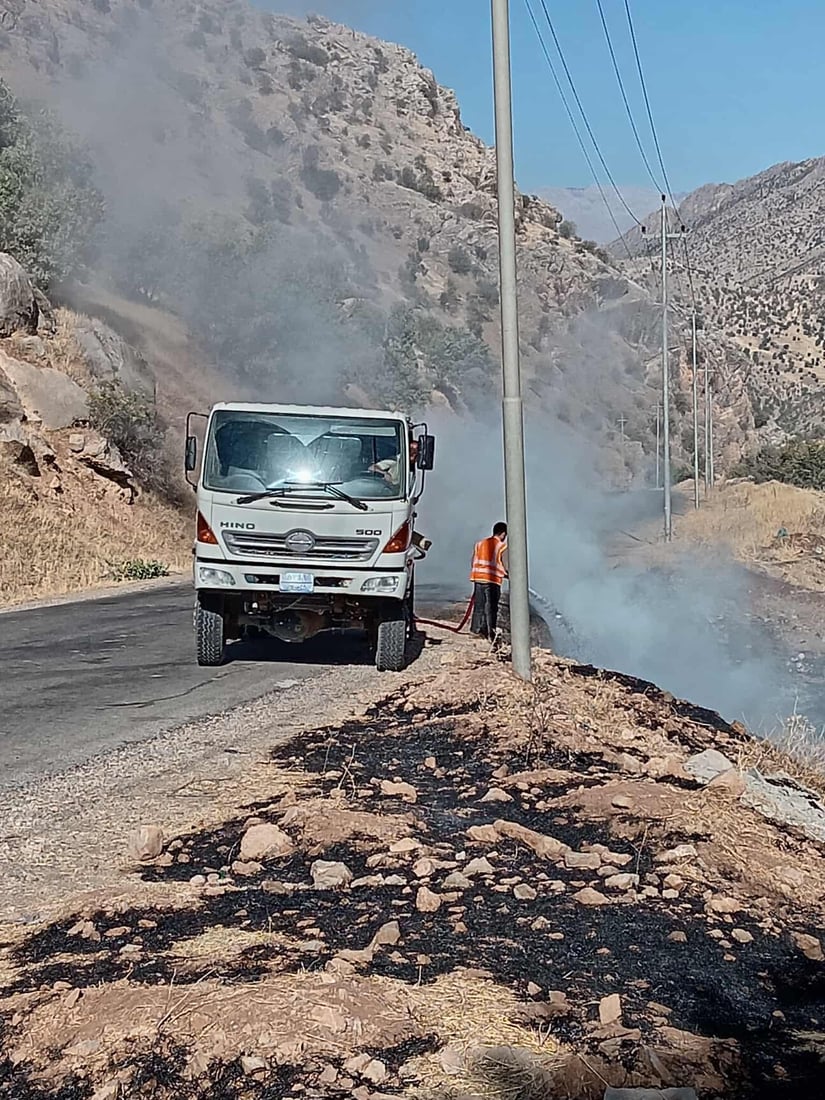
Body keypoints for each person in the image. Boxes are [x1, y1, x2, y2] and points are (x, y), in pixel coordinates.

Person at [470, 522, 508, 640]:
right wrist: (507, 574)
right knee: (491, 608)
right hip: (492, 580)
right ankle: (490, 633)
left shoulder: (480, 544)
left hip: (478, 578)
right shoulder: (502, 546)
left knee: (479, 606)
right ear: (503, 534)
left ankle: (475, 630)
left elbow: (473, 560)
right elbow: (505, 564)